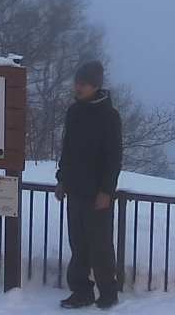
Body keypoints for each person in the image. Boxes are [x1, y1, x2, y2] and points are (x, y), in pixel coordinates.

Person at [55, 60, 123, 309]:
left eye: (83, 84)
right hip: (75, 190)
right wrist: (62, 179)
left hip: (97, 194)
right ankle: (81, 291)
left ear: (95, 86)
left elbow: (113, 158)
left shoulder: (109, 116)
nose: (78, 87)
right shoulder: (74, 112)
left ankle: (108, 293)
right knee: (78, 245)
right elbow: (68, 150)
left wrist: (106, 191)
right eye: (77, 82)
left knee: (100, 245)